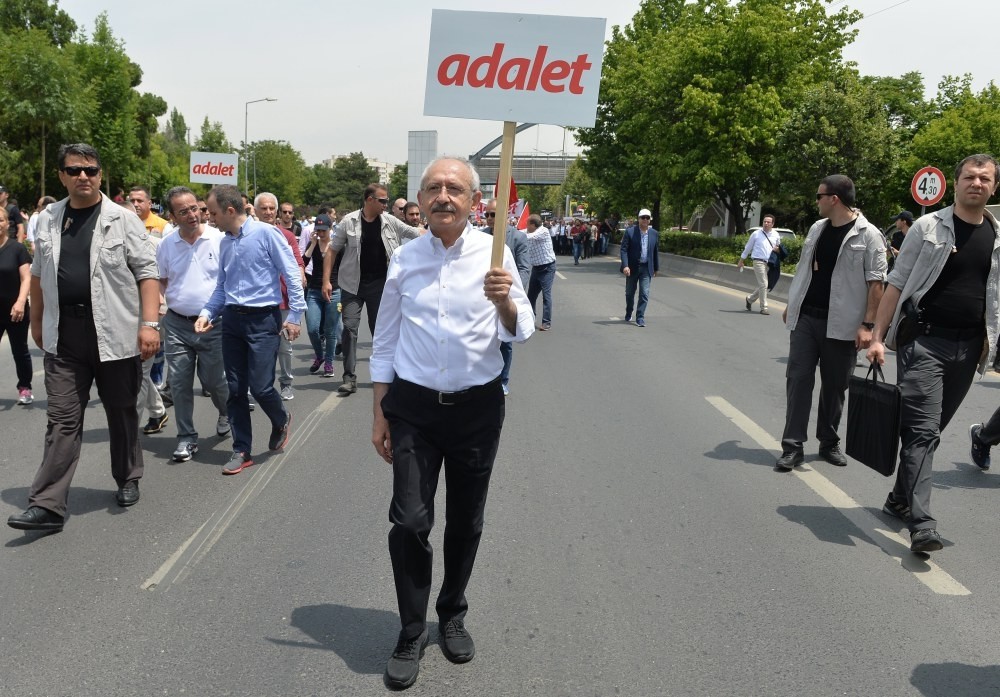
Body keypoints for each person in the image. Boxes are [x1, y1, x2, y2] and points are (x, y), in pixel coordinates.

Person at [370, 157, 534, 689]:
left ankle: (453, 612)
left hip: (477, 408)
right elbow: (386, 340)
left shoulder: (496, 253)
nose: (444, 196)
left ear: (473, 200)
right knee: (411, 522)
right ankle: (412, 628)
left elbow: (521, 330)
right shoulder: (406, 259)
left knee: (466, 521)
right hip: (413, 408)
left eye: (455, 189)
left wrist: (504, 300)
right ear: (420, 199)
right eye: (434, 188)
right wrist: (380, 412)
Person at [7, 143, 160, 533]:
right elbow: (39, 275)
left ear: (100, 174)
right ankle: (47, 505)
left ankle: (128, 476)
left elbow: (147, 274)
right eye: (74, 170)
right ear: (62, 176)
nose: (83, 177)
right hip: (66, 336)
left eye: (90, 170)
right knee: (61, 420)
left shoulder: (123, 220)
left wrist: (149, 325)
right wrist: (38, 323)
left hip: (116, 332)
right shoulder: (49, 218)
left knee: (121, 410)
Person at [869, 154, 1000, 554]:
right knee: (922, 432)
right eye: (969, 177)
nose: (976, 183)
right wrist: (877, 336)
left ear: (994, 187)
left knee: (929, 432)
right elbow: (896, 284)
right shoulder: (928, 226)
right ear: (956, 182)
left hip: (970, 347)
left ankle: (897, 498)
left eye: (985, 178)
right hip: (925, 342)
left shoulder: (997, 236)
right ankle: (922, 523)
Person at [776, 174, 886, 471]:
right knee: (798, 380)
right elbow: (804, 269)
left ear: (833, 199)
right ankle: (792, 445)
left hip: (844, 325)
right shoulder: (817, 229)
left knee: (835, 386)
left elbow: (876, 284)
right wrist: (792, 302)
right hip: (807, 319)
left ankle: (828, 441)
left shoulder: (869, 235)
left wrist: (867, 325)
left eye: (819, 196)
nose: (816, 201)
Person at [196, 184, 305, 476]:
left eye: (214, 212)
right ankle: (241, 448)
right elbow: (222, 287)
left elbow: (291, 274)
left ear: (230, 211)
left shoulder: (267, 234)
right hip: (232, 320)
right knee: (235, 389)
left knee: (260, 386)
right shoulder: (224, 243)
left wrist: (294, 315)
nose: (210, 218)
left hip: (263, 320)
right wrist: (207, 312)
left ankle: (280, 418)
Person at [321, 183, 420, 396]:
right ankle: (349, 378)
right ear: (369, 200)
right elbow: (332, 251)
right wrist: (326, 281)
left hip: (381, 286)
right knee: (349, 328)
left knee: (382, 332)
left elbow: (417, 234)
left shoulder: (390, 222)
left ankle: (387, 376)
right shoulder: (349, 222)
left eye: (387, 200)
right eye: (382, 200)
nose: (387, 204)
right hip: (352, 285)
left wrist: (442, 232)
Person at [157, 186, 231, 463]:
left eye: (195, 209)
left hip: (214, 324)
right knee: (178, 382)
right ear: (172, 216)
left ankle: (225, 412)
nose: (192, 215)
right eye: (183, 211)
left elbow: (229, 280)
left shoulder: (219, 239)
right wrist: (160, 308)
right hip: (177, 325)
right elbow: (161, 281)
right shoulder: (166, 245)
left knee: (215, 381)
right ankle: (186, 437)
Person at [255, 192, 306, 401]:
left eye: (271, 209)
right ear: (255, 211)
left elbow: (297, 263)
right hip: (258, 303)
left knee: (285, 347)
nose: (268, 212)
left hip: (283, 299)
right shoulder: (246, 235)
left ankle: (286, 382)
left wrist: (300, 275)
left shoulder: (287, 236)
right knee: (258, 348)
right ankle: (259, 387)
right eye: (263, 208)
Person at [484, 199, 530, 395]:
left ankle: (503, 379)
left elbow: (524, 269)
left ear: (505, 215)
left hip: (506, 298)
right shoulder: (480, 237)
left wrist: (513, 296)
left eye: (493, 214)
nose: (489, 219)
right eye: (487, 215)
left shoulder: (518, 238)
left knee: (506, 340)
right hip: (485, 298)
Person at [0, 206, 33, 404]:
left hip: (15, 311)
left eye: (0, 220)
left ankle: (25, 387)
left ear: (7, 223)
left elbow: (26, 278)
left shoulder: (17, 249)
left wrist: (21, 302)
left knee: (19, 351)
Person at [303, 213, 341, 378]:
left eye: (324, 229)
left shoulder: (338, 245)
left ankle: (329, 363)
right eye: (318, 229)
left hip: (334, 291)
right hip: (314, 291)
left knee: (330, 330)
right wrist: (312, 244)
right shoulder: (314, 243)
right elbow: (302, 263)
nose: (321, 233)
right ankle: (319, 356)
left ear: (330, 228)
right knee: (312, 328)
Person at [620, 208, 660, 327]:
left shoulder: (654, 233)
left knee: (644, 293)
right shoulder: (630, 232)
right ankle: (629, 311)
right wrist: (625, 265)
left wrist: (656, 268)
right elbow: (623, 250)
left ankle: (640, 317)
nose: (645, 220)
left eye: (647, 218)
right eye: (643, 217)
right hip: (632, 267)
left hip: (646, 268)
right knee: (629, 293)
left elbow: (655, 252)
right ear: (639, 219)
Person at [738, 214, 781, 315]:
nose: (766, 223)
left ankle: (749, 299)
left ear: (772, 224)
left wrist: (778, 250)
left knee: (765, 285)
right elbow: (748, 247)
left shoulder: (776, 235)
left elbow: (779, 248)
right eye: (764, 221)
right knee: (764, 284)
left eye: (768, 222)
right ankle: (764, 307)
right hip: (758, 261)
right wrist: (741, 260)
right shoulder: (756, 234)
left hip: (770, 263)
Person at [525, 213, 556, 331]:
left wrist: (518, 234)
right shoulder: (529, 232)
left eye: (527, 224)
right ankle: (531, 319)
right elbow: (522, 233)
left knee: (546, 296)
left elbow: (529, 237)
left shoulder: (543, 231)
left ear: (533, 224)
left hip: (547, 268)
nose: (526, 226)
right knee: (531, 296)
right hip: (536, 268)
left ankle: (546, 322)